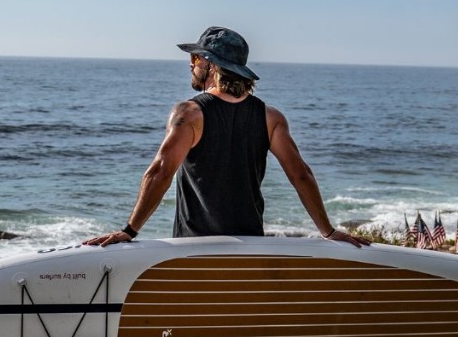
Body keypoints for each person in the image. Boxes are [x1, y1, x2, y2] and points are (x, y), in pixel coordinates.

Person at [84, 26, 369, 248]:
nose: (190, 64)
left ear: (210, 64)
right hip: (249, 245)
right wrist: (327, 231)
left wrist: (129, 230)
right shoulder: (270, 117)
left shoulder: (189, 114)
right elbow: (301, 175)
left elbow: (160, 171)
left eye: (195, 58)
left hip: (192, 247)